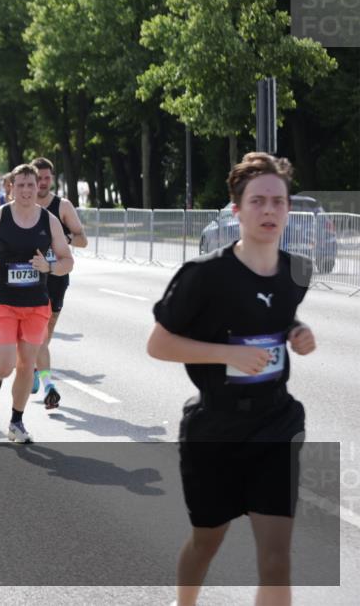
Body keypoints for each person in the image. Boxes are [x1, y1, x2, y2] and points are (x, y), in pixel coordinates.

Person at [147, 153, 316, 606]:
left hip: (274, 424)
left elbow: (275, 315)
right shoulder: (203, 275)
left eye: (278, 202)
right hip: (214, 430)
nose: (269, 211)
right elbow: (158, 345)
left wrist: (297, 331)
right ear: (236, 210)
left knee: (277, 558)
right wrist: (228, 354)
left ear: (289, 210)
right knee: (207, 541)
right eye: (257, 201)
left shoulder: (297, 271)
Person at [0, 163, 73, 443]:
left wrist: (49, 267)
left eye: (32, 184)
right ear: (11, 187)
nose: (27, 190)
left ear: (38, 186)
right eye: (21, 185)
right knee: (4, 366)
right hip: (3, 301)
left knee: (27, 365)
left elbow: (67, 261)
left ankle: (16, 422)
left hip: (37, 305)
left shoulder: (49, 220)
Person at [32, 157, 89, 407]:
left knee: (48, 329)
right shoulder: (24, 202)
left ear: (52, 179)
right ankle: (42, 375)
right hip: (30, 276)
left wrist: (64, 236)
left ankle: (36, 366)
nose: (43, 183)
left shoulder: (62, 205)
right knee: (37, 331)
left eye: (47, 178)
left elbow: (82, 239)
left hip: (56, 275)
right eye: (39, 178)